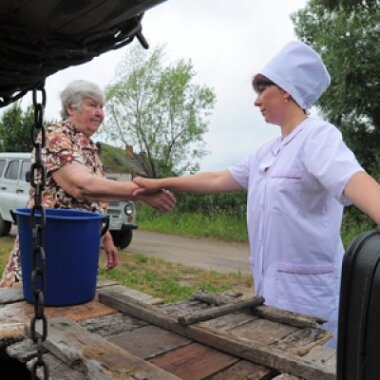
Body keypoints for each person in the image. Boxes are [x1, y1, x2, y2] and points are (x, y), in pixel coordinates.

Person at [132, 40, 380, 348]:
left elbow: (355, 181)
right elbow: (216, 178)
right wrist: (161, 182)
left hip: (310, 298)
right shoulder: (267, 152)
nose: (256, 101)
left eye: (263, 90)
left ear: (287, 90)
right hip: (270, 292)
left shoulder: (318, 137)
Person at [0, 79, 175, 288]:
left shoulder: (88, 146)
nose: (100, 113)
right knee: (31, 307)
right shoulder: (56, 136)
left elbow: (91, 200)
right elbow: (82, 186)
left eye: (102, 107)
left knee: (74, 303)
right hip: (50, 241)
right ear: (70, 108)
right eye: (93, 105)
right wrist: (141, 192)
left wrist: (105, 235)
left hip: (77, 242)